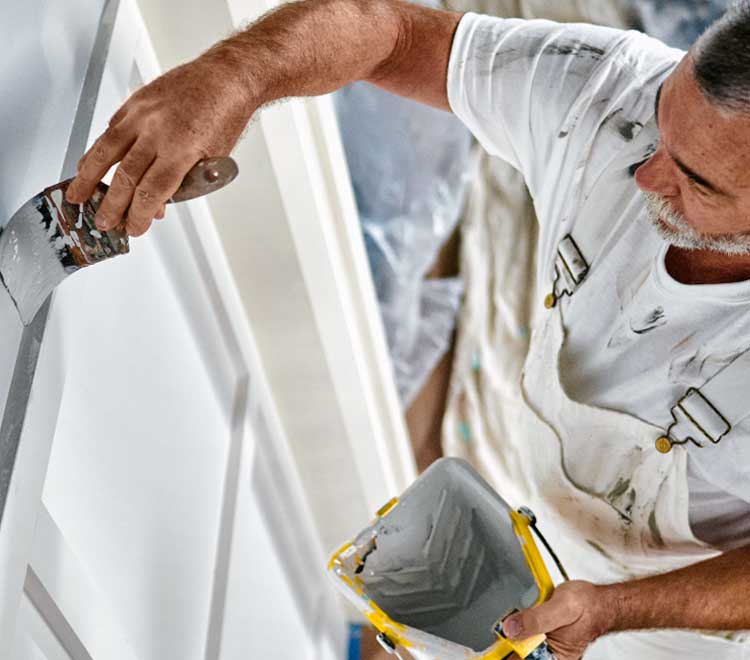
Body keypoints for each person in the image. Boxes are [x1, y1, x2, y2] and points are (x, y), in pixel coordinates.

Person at [66, 1, 750, 657]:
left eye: (696, 182)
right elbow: (387, 33)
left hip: (685, 622)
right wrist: (234, 76)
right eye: (664, 128)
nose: (645, 175)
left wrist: (611, 611)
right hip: (548, 531)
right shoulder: (614, 97)